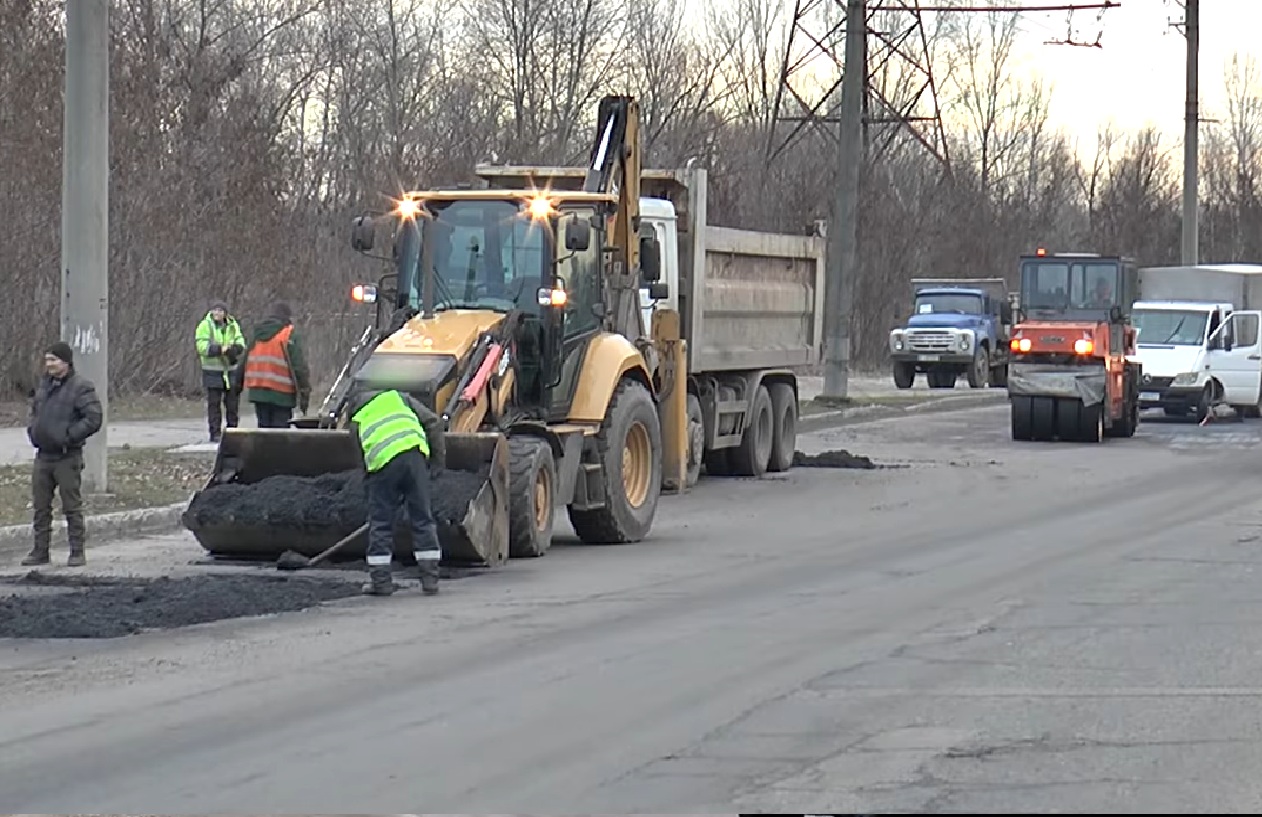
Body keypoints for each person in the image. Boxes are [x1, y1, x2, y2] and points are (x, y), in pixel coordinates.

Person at [346, 386, 446, 597]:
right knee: (423, 519)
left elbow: (362, 460)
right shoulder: (399, 397)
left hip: (383, 467)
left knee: (381, 524)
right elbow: (434, 423)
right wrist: (437, 462)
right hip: (415, 458)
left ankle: (381, 583)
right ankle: (430, 580)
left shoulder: (357, 419)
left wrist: (372, 490)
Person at [22, 341, 103, 567]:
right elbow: (35, 411)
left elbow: (94, 418)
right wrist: (33, 431)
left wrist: (68, 436)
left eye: (53, 360)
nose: (49, 364)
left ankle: (77, 551)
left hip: (67, 457)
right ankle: (40, 551)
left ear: (66, 362)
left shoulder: (81, 387)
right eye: (47, 360)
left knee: (71, 506)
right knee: (41, 507)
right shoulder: (44, 386)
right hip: (43, 455)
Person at [240, 301, 311, 428]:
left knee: (264, 430)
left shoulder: (257, 334)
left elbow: (243, 361)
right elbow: (298, 367)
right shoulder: (288, 334)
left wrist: (235, 386)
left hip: (258, 392)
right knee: (280, 433)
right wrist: (305, 392)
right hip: (282, 394)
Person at [194, 300, 246, 442]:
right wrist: (219, 350)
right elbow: (202, 346)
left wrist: (234, 350)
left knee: (232, 404)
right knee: (214, 405)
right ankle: (215, 433)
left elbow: (241, 342)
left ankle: (233, 432)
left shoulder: (233, 325)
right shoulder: (205, 326)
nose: (217, 313)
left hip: (230, 371)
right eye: (215, 310)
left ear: (225, 313)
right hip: (212, 371)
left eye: (220, 311)